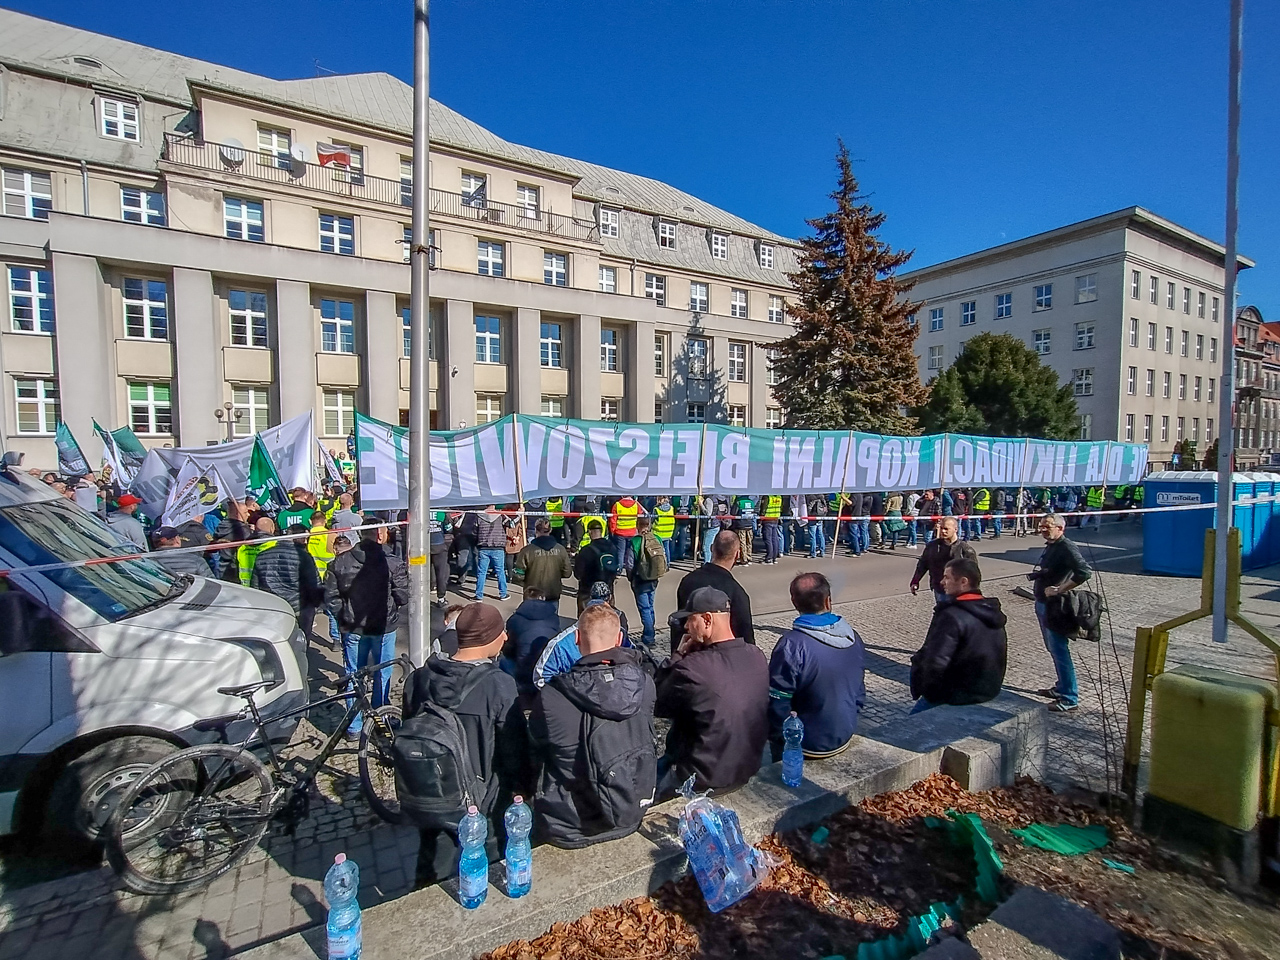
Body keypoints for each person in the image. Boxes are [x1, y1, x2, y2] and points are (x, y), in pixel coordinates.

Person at [402, 603, 530, 887]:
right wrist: (524, 788)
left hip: (433, 791)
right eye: (501, 632)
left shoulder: (419, 679)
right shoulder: (498, 686)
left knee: (432, 863)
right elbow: (514, 750)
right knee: (488, 860)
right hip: (484, 799)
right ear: (488, 638)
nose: (506, 637)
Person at [529, 603, 657, 848]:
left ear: (577, 638)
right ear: (619, 638)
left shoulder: (552, 696)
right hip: (629, 807)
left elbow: (536, 750)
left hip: (570, 822)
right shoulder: (645, 684)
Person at [655, 587, 769, 798]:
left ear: (707, 619)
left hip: (702, 779)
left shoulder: (692, 668)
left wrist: (678, 654)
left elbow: (657, 703)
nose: (686, 627)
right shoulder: (757, 655)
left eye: (690, 619)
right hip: (747, 767)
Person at [767, 572, 866, 762]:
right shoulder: (854, 637)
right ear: (828, 601)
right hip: (844, 733)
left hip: (804, 745)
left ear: (794, 602)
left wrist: (779, 736)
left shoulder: (791, 645)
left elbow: (777, 702)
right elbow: (859, 689)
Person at [325, 524, 409, 738]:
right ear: (380, 534)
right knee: (383, 672)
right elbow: (402, 595)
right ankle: (381, 718)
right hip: (382, 626)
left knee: (353, 673)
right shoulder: (391, 562)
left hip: (353, 627)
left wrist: (344, 617)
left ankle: (354, 726)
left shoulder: (339, 562)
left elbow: (331, 597)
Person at [909, 557, 1008, 712]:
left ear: (963, 581)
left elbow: (936, 662)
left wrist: (928, 691)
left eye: (947, 577)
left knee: (911, 724)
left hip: (955, 695)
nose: (942, 582)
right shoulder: (991, 610)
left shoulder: (951, 615)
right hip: (988, 690)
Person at [1029, 513, 1092, 713]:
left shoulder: (1067, 547)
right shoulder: (1052, 545)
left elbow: (1084, 572)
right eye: (1041, 526)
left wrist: (1060, 589)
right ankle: (1062, 687)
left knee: (1060, 650)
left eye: (1047, 527)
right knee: (1052, 648)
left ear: (1060, 528)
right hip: (1043, 603)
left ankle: (1070, 697)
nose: (1043, 530)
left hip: (1056, 607)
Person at [675, 530, 755, 646]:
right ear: (737, 554)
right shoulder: (737, 593)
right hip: (723, 653)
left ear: (712, 548)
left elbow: (681, 622)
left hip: (689, 649)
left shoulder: (688, 581)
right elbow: (746, 638)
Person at [251, 521, 322, 633]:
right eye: (305, 539)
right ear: (300, 538)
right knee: (301, 638)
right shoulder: (303, 556)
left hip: (273, 607)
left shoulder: (262, 555)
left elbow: (255, 586)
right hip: (299, 606)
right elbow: (314, 583)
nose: (306, 542)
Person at [502, 585, 562, 703]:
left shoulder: (515, 618)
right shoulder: (554, 618)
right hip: (546, 670)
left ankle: (510, 695)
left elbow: (509, 646)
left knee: (503, 661)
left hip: (523, 673)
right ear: (543, 598)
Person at [909, 516, 978, 605]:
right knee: (943, 611)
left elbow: (974, 574)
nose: (943, 531)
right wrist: (915, 581)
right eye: (941, 528)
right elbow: (922, 564)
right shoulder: (932, 546)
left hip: (959, 591)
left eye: (946, 529)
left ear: (955, 529)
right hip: (939, 588)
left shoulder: (965, 550)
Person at [628, 517, 665, 646]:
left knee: (644, 609)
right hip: (654, 578)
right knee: (650, 606)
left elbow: (629, 563)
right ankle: (649, 632)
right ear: (649, 525)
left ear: (637, 525)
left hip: (640, 579)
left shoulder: (635, 541)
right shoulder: (657, 538)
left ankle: (649, 637)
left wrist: (630, 577)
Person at [515, 519, 573, 601]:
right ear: (550, 530)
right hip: (553, 593)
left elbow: (518, 575)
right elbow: (567, 573)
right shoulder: (561, 549)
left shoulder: (526, 551)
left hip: (532, 594)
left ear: (536, 530)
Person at [573, 518, 617, 614]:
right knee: (607, 615)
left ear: (589, 532)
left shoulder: (586, 551)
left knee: (587, 618)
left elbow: (578, 573)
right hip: (607, 589)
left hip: (587, 590)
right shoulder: (612, 548)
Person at [472, 505, 511, 601]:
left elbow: (474, 532)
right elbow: (512, 524)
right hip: (498, 547)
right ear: (494, 505)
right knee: (500, 571)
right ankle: (503, 594)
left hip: (483, 547)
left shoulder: (479, 516)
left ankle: (479, 595)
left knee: (481, 573)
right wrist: (520, 513)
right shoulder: (501, 515)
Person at [608, 495, 643, 574]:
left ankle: (619, 569)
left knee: (621, 552)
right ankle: (630, 569)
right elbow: (640, 516)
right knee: (630, 552)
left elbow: (613, 519)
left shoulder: (617, 505)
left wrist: (613, 530)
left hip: (620, 532)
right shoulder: (636, 504)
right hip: (632, 532)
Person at [732, 494, 757, 564]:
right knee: (749, 541)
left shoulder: (739, 502)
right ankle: (749, 556)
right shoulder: (751, 502)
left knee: (742, 542)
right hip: (749, 524)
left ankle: (744, 558)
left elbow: (733, 512)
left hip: (741, 524)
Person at [758, 494, 783, 564]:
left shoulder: (767, 497)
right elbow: (781, 508)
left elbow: (763, 509)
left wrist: (760, 521)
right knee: (774, 539)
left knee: (768, 539)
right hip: (775, 519)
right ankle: (774, 557)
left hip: (767, 519)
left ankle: (769, 558)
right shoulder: (779, 497)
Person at [652, 496, 677, 564]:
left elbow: (652, 520)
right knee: (666, 549)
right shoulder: (671, 508)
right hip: (668, 532)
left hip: (658, 532)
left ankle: (658, 564)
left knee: (658, 549)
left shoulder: (656, 509)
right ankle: (667, 563)